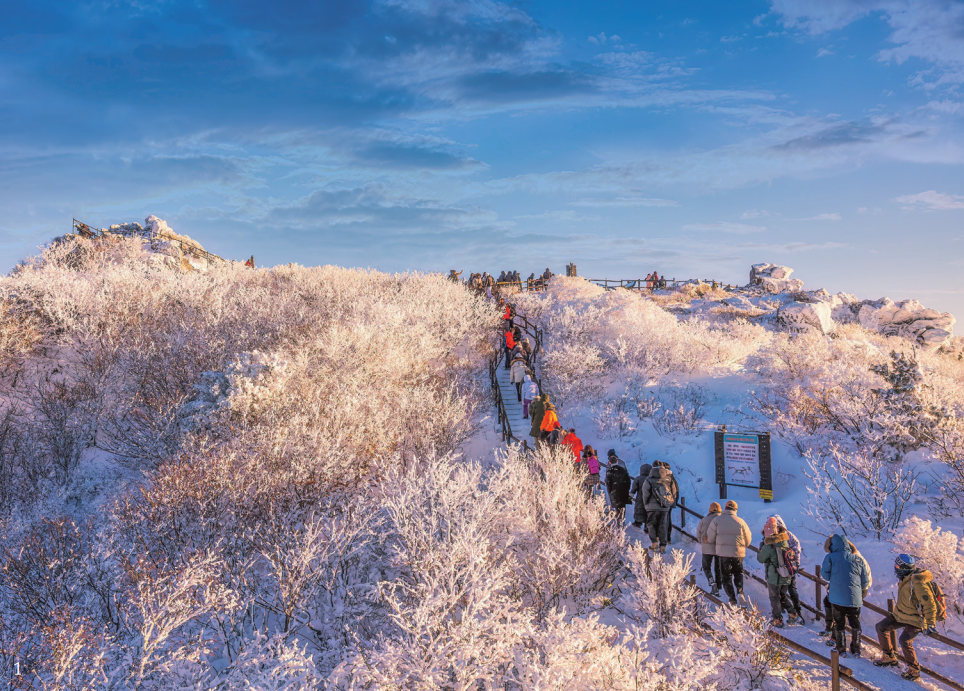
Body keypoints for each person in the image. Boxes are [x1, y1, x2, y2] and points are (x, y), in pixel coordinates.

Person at [873, 554, 937, 681]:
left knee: (904, 640)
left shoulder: (917, 582)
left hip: (915, 619)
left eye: (897, 566)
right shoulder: (906, 578)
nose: (895, 568)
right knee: (881, 627)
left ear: (904, 568)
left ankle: (914, 670)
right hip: (901, 615)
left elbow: (929, 603)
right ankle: (889, 657)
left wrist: (930, 623)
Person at [821, 530, 871, 658]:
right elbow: (865, 582)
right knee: (856, 624)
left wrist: (836, 575)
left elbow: (825, 575)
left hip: (837, 597)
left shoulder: (830, 557)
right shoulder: (858, 559)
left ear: (832, 546)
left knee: (840, 624)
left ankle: (841, 649)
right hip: (855, 598)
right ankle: (856, 650)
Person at [706, 500, 752, 605]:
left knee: (726, 576)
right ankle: (740, 591)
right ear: (735, 510)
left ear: (725, 508)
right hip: (738, 553)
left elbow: (711, 538)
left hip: (723, 553)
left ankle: (732, 598)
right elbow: (748, 540)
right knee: (738, 572)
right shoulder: (741, 522)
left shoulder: (716, 520)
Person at [756, 517, 796, 628]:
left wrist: (762, 549)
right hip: (786, 574)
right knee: (782, 596)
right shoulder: (784, 541)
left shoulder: (769, 545)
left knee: (775, 598)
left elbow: (760, 558)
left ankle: (777, 619)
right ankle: (793, 614)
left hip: (774, 576)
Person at [641, 460, 679, 553]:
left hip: (652, 507)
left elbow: (645, 493)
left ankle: (654, 543)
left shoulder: (649, 479)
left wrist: (645, 503)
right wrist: (669, 503)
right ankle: (663, 546)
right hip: (664, 506)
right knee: (663, 525)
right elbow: (674, 492)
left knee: (651, 524)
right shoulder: (669, 479)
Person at [696, 502, 723, 596]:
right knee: (718, 568)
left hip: (706, 548)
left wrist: (702, 543)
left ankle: (712, 582)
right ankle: (719, 587)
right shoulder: (721, 520)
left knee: (706, 566)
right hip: (719, 548)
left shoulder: (704, 520)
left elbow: (698, 534)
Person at [604, 455, 632, 524]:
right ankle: (622, 520)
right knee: (623, 506)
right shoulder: (623, 470)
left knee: (617, 507)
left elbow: (608, 482)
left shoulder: (609, 471)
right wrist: (627, 489)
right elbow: (628, 480)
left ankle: (619, 521)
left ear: (610, 463)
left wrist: (609, 491)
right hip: (623, 491)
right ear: (617, 461)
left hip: (614, 492)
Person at [629, 462, 653, 529]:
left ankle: (637, 523)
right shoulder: (651, 479)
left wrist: (631, 495)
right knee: (647, 512)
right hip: (649, 499)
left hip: (640, 498)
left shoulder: (638, 479)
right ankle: (647, 527)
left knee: (639, 510)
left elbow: (634, 489)